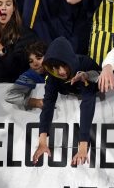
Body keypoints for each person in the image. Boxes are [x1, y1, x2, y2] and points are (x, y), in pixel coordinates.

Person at [31, 37, 101, 167]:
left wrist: (83, 146)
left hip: (107, 91)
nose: (61, 72)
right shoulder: (52, 76)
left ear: (70, 61)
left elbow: (87, 102)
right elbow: (48, 104)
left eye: (64, 65)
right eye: (56, 67)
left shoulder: (83, 64)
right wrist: (42, 141)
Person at [4, 40, 47, 110]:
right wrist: (35, 102)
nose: (35, 64)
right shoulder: (30, 75)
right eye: (31, 61)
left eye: (39, 58)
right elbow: (10, 96)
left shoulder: (60, 69)